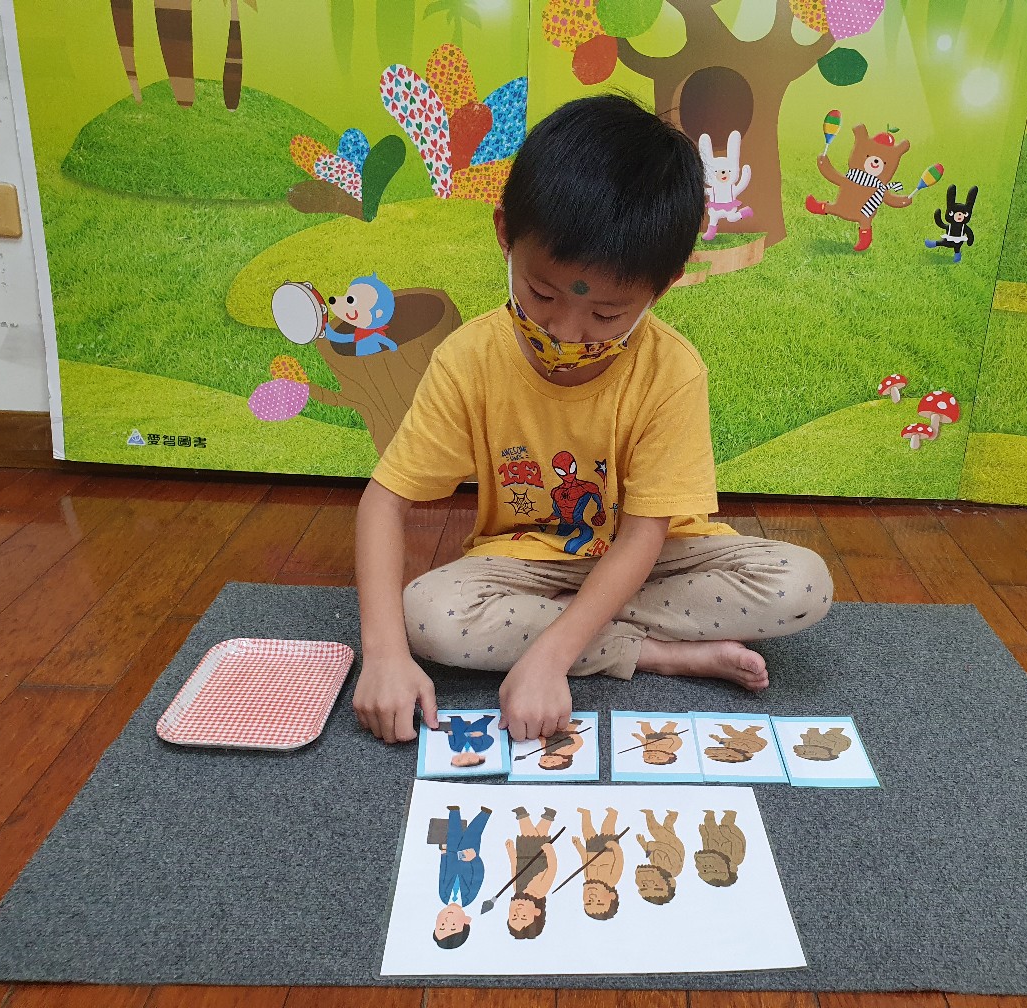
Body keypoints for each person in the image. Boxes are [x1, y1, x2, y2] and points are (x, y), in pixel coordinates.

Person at [352, 94, 834, 744]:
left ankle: (566, 630)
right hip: (527, 561)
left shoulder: (671, 370)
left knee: (802, 584)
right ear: (504, 234)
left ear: (664, 286)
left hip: (654, 559)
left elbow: (644, 536)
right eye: (541, 293)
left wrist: (548, 657)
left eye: (607, 314)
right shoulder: (469, 359)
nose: (568, 330)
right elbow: (385, 501)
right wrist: (383, 655)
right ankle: (655, 653)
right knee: (425, 616)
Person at [433, 804, 491, 948]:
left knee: (453, 834)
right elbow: (479, 875)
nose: (447, 920)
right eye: (453, 926)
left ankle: (454, 812)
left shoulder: (443, 895)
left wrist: (444, 855)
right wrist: (474, 858)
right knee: (473, 834)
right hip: (468, 857)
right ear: (466, 920)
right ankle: (484, 814)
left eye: (441, 926)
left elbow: (443, 874)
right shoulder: (469, 897)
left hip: (452, 857)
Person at [506, 806, 559, 939]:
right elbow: (552, 869)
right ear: (537, 912)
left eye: (514, 916)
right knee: (532, 834)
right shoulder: (541, 890)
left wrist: (511, 852)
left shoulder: (517, 889)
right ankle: (523, 814)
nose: (518, 911)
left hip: (523, 855)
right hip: (540, 855)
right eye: (523, 916)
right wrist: (549, 851)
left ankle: (548, 815)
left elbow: (515, 869)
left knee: (535, 833)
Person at [572, 806, 624, 920]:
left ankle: (586, 814)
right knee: (607, 829)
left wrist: (578, 846)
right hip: (608, 850)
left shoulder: (587, 877)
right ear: (611, 896)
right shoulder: (612, 880)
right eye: (599, 901)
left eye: (588, 902)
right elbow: (619, 861)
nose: (592, 897)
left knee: (587, 832)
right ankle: (612, 815)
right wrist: (615, 847)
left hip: (591, 850)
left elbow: (585, 860)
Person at [634, 808, 684, 905]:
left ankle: (672, 815)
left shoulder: (657, 868)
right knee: (654, 830)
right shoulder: (674, 869)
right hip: (673, 845)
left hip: (661, 847)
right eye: (657, 887)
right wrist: (656, 845)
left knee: (667, 827)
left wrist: (643, 843)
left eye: (644, 887)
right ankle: (649, 813)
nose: (649, 883)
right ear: (671, 883)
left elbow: (650, 855)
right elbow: (671, 851)